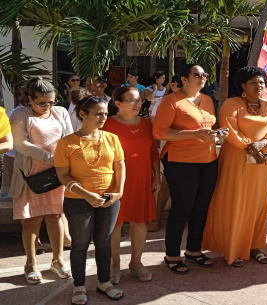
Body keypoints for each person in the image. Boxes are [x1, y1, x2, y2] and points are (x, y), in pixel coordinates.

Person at [202, 66, 267, 267]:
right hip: (237, 160)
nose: (259, 86)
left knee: (259, 204)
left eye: (262, 82)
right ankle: (232, 249)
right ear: (243, 86)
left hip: (262, 163)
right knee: (235, 202)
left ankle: (255, 246)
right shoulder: (232, 104)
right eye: (254, 82)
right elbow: (229, 130)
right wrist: (250, 146)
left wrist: (263, 143)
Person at [154, 64, 225, 272]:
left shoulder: (209, 100)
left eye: (205, 74)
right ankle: (172, 255)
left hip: (208, 158)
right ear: (184, 79)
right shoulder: (170, 101)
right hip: (180, 160)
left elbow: (208, 127)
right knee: (182, 207)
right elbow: (159, 132)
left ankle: (194, 250)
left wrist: (216, 133)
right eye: (197, 74)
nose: (202, 77)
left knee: (202, 206)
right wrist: (195, 134)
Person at [54, 95, 125, 304]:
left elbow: (120, 166)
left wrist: (119, 192)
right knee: (80, 244)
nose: (103, 117)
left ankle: (104, 282)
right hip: (78, 200)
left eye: (105, 113)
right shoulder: (66, 143)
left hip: (109, 199)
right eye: (98, 113)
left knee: (104, 242)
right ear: (83, 115)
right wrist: (86, 194)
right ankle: (79, 285)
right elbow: (63, 176)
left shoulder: (112, 138)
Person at [10, 77, 71, 285]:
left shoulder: (61, 112)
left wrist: (65, 161)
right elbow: (21, 144)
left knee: (55, 215)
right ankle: (31, 264)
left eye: (51, 102)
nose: (47, 106)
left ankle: (58, 260)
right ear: (30, 99)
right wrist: (50, 158)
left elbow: (69, 138)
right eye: (42, 103)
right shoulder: (20, 113)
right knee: (31, 220)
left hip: (56, 174)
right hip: (31, 173)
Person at [102, 87, 160, 283]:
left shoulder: (145, 124)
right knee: (115, 223)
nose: (138, 104)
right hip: (115, 181)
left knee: (139, 221)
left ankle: (136, 263)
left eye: (139, 101)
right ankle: (114, 266)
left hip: (142, 179)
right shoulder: (107, 124)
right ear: (118, 104)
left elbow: (153, 151)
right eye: (132, 100)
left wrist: (156, 176)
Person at [147, 74, 182, 232]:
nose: (177, 88)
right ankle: (157, 214)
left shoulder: (199, 101)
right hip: (170, 148)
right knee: (166, 182)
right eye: (175, 84)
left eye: (179, 85)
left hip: (194, 149)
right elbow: (155, 127)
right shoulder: (162, 102)